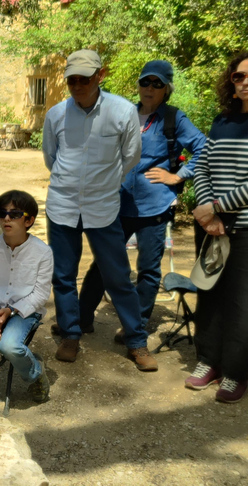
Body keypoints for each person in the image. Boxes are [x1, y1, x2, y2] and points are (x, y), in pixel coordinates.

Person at [42, 49, 157, 371]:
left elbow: (131, 156)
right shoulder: (56, 115)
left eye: (85, 78)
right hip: (63, 206)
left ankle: (137, 341)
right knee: (63, 276)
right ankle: (70, 334)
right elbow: (51, 158)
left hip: (103, 207)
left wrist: (104, 184)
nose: (78, 85)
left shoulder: (121, 111)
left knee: (117, 275)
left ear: (100, 75)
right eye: (72, 80)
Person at [79, 60, 206, 342]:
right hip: (117, 203)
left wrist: (179, 176)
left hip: (154, 206)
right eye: (145, 81)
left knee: (148, 269)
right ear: (138, 84)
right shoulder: (124, 113)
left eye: (157, 83)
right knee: (102, 262)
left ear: (166, 89)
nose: (149, 88)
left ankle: (135, 325)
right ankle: (81, 320)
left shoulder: (174, 119)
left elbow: (204, 149)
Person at [187, 51, 248, 403]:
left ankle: (236, 371)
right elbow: (203, 166)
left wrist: (218, 208)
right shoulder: (221, 122)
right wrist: (209, 212)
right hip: (213, 225)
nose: (244, 82)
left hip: (243, 228)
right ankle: (209, 361)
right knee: (209, 293)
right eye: (238, 76)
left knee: (241, 302)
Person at [0, 190, 53, 402]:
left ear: (29, 220)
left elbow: (41, 294)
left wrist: (11, 311)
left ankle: (36, 374)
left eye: (14, 214)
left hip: (24, 312)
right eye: (1, 213)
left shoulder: (43, 252)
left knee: (10, 346)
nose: (6, 218)